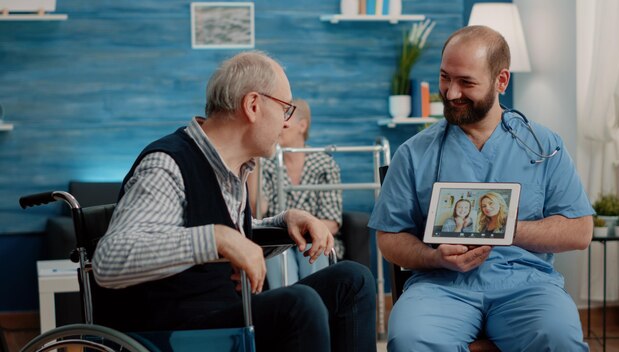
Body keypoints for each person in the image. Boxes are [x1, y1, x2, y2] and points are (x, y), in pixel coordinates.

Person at [92, 51, 376, 352]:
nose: (285, 123)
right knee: (298, 305)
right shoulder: (167, 165)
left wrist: (284, 221)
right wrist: (218, 237)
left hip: (224, 319)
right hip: (173, 333)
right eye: (285, 109)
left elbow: (216, 232)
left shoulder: (233, 169)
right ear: (253, 105)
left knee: (353, 279)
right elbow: (109, 260)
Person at [369, 25, 593, 351]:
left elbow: (580, 231)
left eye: (466, 82)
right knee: (410, 339)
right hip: (440, 286)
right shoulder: (415, 152)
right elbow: (388, 238)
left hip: (526, 286)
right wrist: (434, 258)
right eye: (445, 77)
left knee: (557, 335)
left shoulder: (544, 145)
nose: (451, 92)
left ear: (501, 81)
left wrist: (504, 229)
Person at [247, 98, 343, 289]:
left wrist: (302, 230)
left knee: (314, 244)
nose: (278, 129)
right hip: (279, 237)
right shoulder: (265, 163)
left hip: (312, 237)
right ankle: (288, 311)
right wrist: (254, 159)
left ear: (302, 125)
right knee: (276, 253)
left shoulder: (324, 163)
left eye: (284, 125)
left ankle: (317, 310)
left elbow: (331, 223)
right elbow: (259, 209)